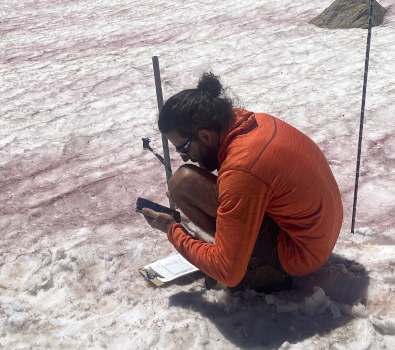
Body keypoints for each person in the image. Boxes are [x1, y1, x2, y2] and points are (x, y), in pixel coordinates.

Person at [142, 72, 344, 293]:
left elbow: (228, 272)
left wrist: (173, 230)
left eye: (183, 148)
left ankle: (261, 269)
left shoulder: (242, 168)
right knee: (185, 184)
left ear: (206, 136)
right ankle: (243, 251)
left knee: (182, 183)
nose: (184, 157)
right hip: (319, 233)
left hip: (299, 254)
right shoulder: (252, 123)